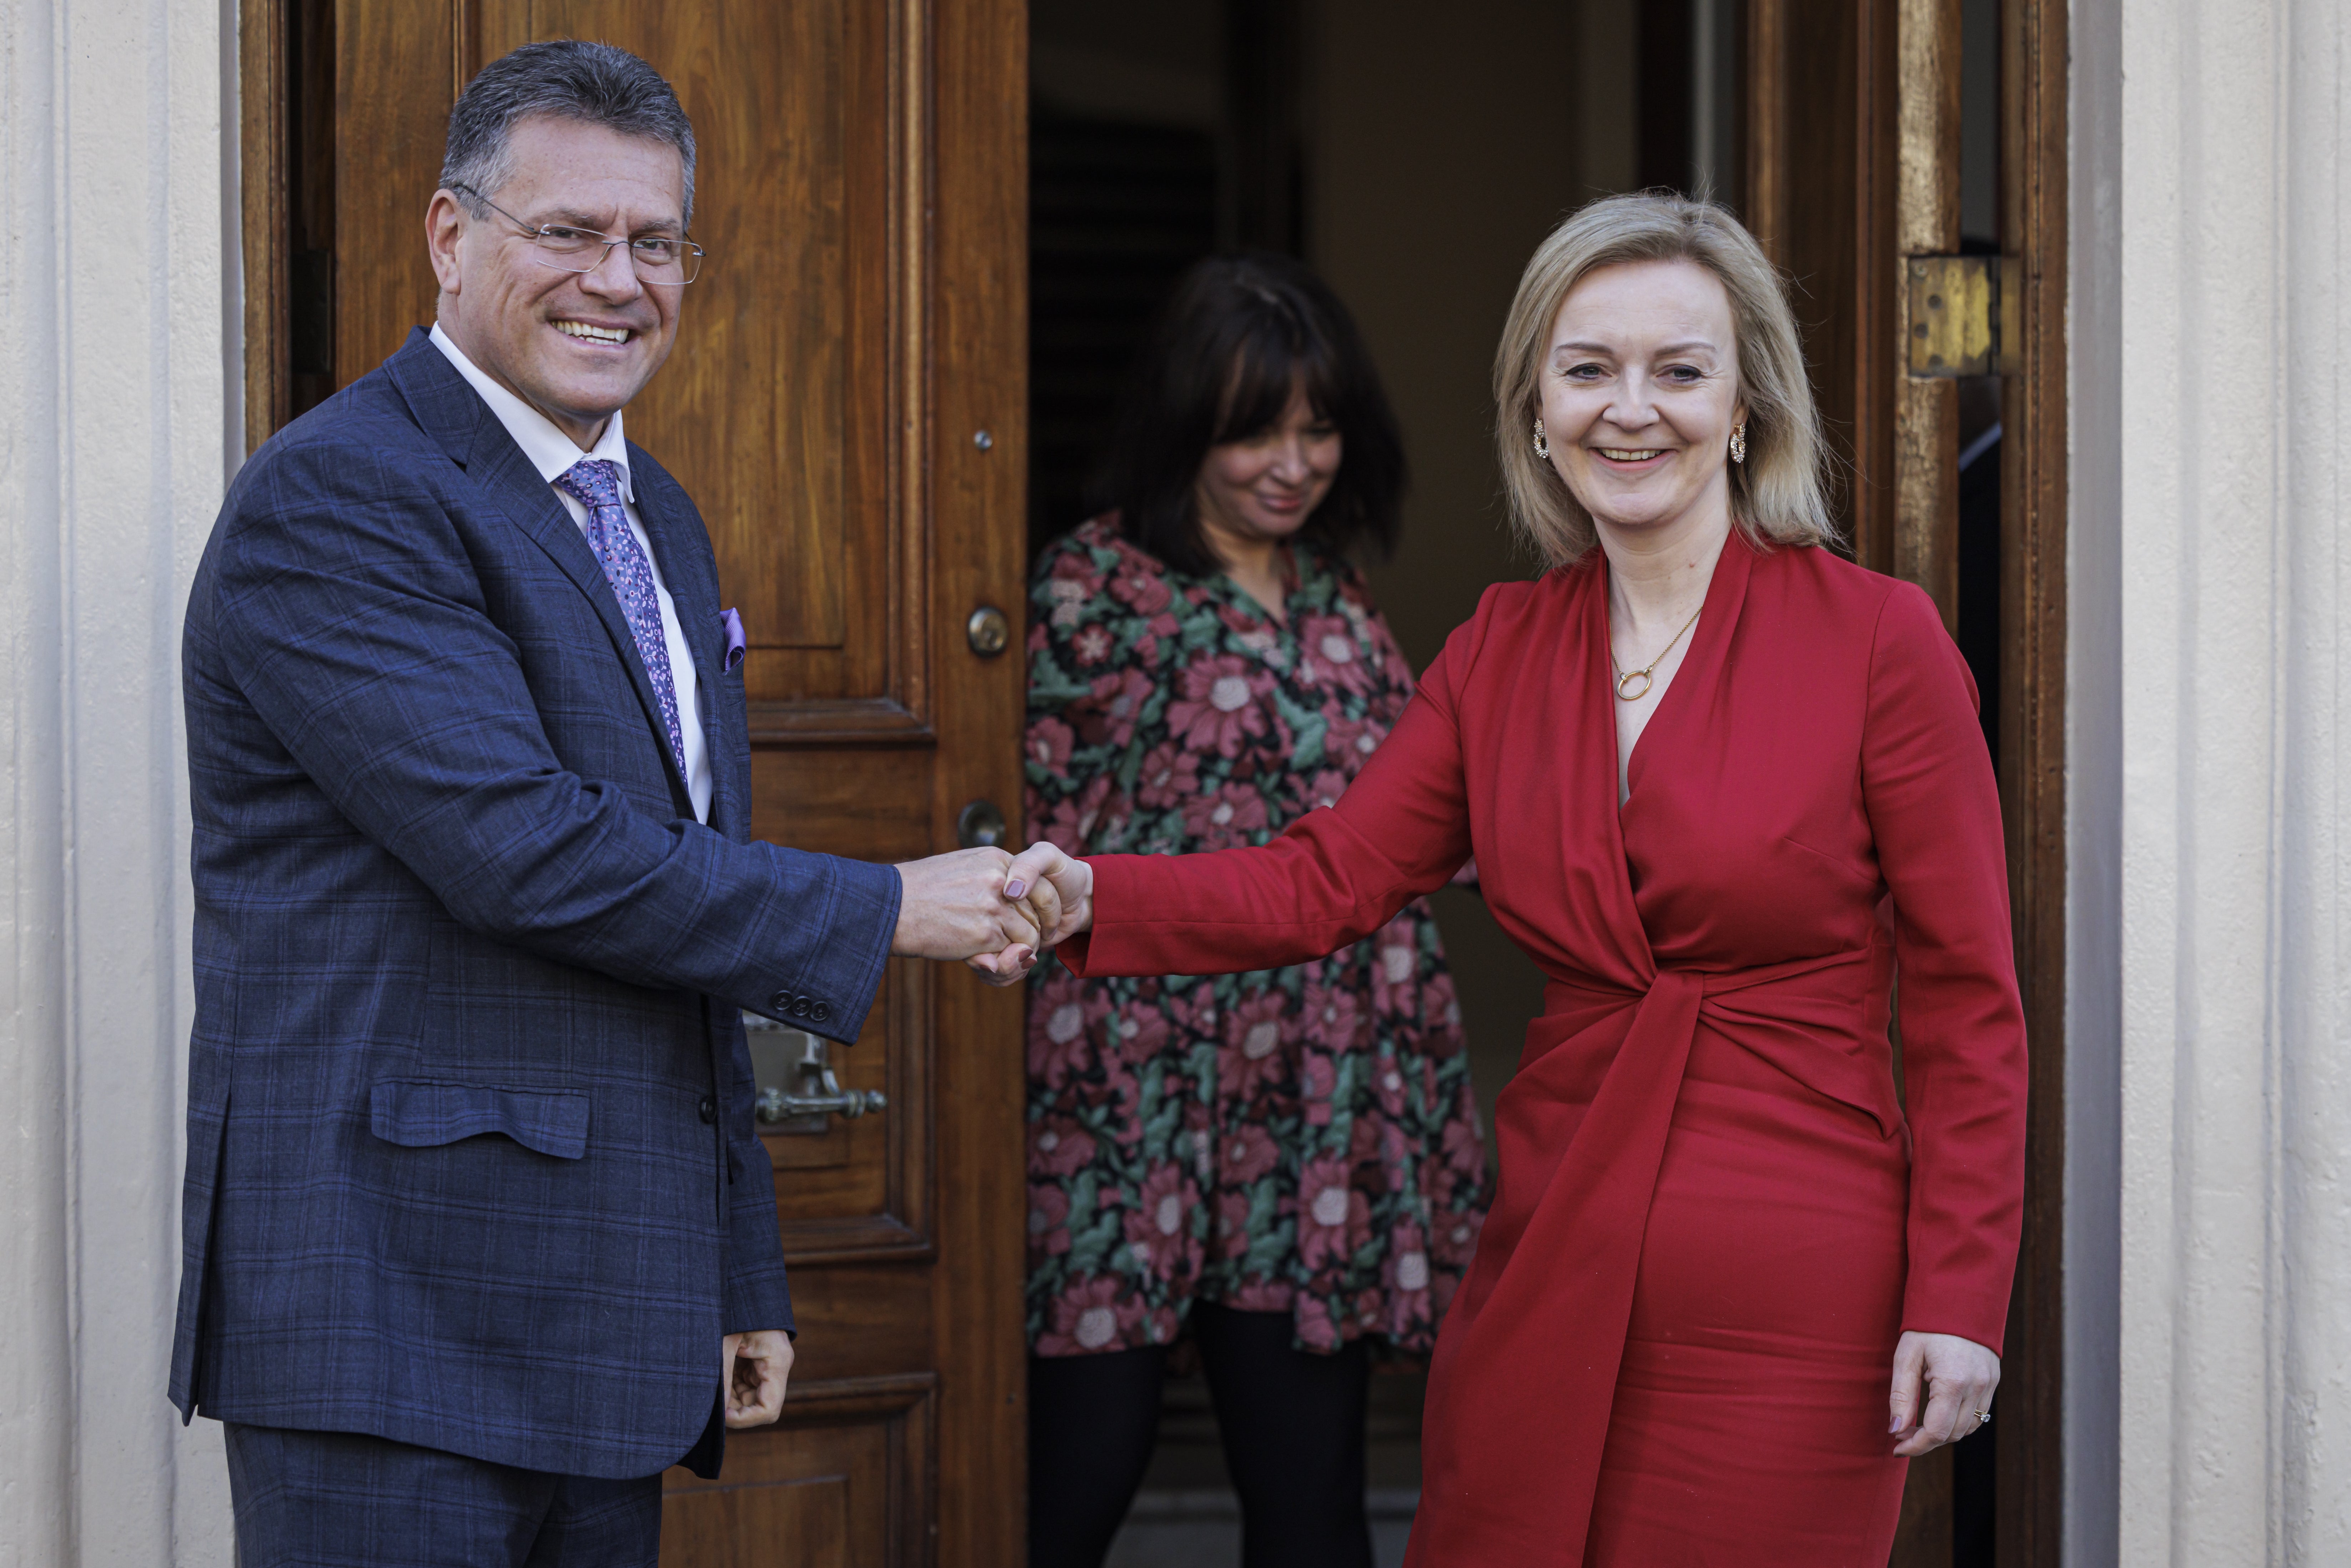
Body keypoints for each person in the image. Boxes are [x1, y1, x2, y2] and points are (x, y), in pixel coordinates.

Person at [1002, 192, 2029, 1566]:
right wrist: (1093, 897)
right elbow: (1326, 882)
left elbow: (1968, 1004)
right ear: (1536, 410)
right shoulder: (1498, 649)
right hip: (1550, 1252)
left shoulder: (1877, 641)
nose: (1630, 409)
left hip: (1794, 1292)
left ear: (1744, 409)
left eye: (1679, 370)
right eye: (1586, 368)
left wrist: (1958, 1298)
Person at [173, 41, 1041, 1566]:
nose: (618, 280)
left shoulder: (658, 515)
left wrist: (734, 1265)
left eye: (655, 242)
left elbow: (679, 894)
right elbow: (529, 853)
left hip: (609, 1320)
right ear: (451, 240)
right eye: (567, 232)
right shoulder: (339, 497)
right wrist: (888, 905)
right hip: (393, 1319)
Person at [1020, 255, 1490, 1568]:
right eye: (1253, 432)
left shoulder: (1337, 598)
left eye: (1318, 428)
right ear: (1186, 430)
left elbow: (1417, 820)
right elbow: (1023, 829)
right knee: (1078, 1482)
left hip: (1314, 1103)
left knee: (1311, 1506)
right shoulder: (1092, 590)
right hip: (1132, 1095)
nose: (1292, 464)